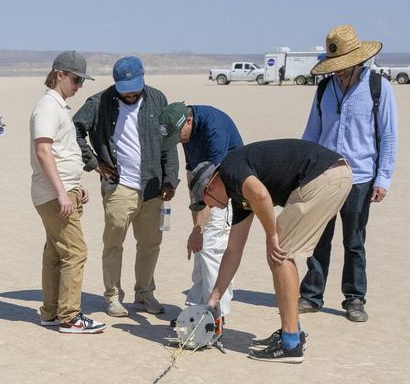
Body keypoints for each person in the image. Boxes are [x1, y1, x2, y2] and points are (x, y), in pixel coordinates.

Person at [192, 142, 353, 364]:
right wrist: (215, 297)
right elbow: (233, 250)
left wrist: (271, 235)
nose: (211, 208)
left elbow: (261, 194)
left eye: (204, 202)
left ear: (208, 187)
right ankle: (294, 334)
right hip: (333, 175)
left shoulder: (230, 168)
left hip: (325, 175)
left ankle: (291, 344)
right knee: (281, 252)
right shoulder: (238, 195)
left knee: (279, 252)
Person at [298, 24, 399, 323]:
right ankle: (312, 295)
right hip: (325, 177)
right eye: (334, 67)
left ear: (358, 60)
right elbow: (311, 133)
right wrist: (302, 171)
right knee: (319, 239)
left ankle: (354, 298)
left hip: (361, 178)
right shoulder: (323, 89)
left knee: (354, 241)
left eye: (342, 66)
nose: (338, 72)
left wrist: (383, 178)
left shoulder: (378, 88)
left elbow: (389, 136)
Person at [73, 56, 178, 317]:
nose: (130, 95)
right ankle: (112, 296)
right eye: (125, 91)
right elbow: (74, 129)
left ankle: (144, 295)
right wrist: (94, 162)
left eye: (134, 89)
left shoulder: (157, 100)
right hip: (119, 186)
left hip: (153, 186)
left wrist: (170, 179)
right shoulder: (99, 102)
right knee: (114, 242)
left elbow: (169, 143)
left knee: (151, 243)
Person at [29, 51, 106, 334]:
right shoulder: (48, 107)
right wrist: (62, 193)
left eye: (82, 81)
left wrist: (74, 186)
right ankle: (70, 316)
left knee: (55, 252)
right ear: (59, 74)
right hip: (53, 195)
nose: (79, 86)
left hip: (61, 190)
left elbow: (62, 152)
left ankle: (50, 312)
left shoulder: (59, 106)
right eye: (75, 80)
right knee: (76, 251)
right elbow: (43, 150)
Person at [159, 102, 243, 323]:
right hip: (207, 191)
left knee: (212, 251)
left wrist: (200, 228)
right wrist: (196, 224)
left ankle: (216, 317)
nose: (179, 141)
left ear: (188, 121)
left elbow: (212, 183)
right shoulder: (186, 133)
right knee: (200, 251)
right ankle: (195, 312)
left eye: (178, 135)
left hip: (225, 193)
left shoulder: (213, 128)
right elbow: (193, 177)